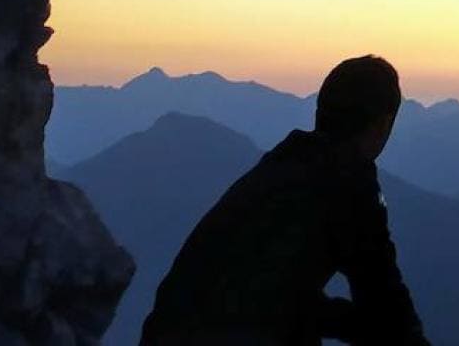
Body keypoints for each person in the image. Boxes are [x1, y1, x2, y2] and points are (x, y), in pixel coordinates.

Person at [140, 54, 430, 346]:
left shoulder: (280, 166)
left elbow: (264, 292)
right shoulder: (348, 180)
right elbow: (383, 294)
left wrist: (360, 325)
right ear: (382, 124)